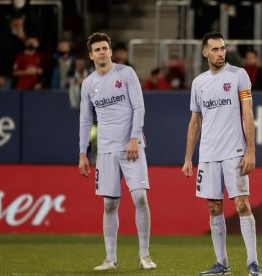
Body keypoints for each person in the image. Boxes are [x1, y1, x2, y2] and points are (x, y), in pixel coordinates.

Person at [182, 31, 262, 276]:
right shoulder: (199, 83)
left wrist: (250, 152)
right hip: (208, 155)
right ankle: (222, 264)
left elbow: (247, 114)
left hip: (234, 152)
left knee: (241, 204)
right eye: (215, 49)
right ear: (205, 52)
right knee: (214, 208)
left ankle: (252, 263)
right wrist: (188, 158)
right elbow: (195, 121)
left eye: (223, 48)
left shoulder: (239, 75)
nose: (220, 53)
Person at [78, 32, 157, 271]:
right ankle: (110, 259)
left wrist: (134, 137)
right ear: (91, 55)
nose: (102, 52)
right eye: (97, 49)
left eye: (105, 48)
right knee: (109, 204)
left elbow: (139, 107)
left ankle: (144, 255)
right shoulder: (89, 83)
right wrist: (83, 152)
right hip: (106, 151)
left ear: (111, 51)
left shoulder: (126, 74)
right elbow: (84, 120)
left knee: (140, 197)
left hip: (131, 146)